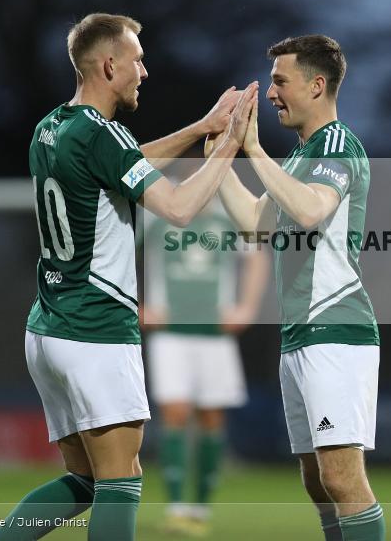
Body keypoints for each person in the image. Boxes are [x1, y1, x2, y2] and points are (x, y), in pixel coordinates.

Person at [0, 12, 257, 541]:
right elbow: (177, 207)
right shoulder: (104, 135)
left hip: (47, 329)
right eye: (137, 59)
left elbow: (118, 164)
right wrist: (227, 146)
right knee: (120, 482)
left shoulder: (52, 126)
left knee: (85, 481)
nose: (144, 71)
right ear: (109, 64)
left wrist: (202, 127)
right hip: (96, 330)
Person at [208, 35, 385, 541]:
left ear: (317, 84)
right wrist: (221, 159)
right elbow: (256, 224)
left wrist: (254, 149)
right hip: (301, 335)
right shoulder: (302, 156)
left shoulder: (335, 143)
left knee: (341, 477)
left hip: (336, 329)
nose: (270, 94)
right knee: (316, 480)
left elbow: (310, 210)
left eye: (280, 82)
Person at [141, 153, 270, 537]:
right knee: (176, 412)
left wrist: (246, 307)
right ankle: (179, 506)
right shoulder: (156, 215)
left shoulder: (226, 216)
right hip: (170, 331)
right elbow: (116, 248)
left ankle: (200, 507)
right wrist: (137, 302)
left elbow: (257, 256)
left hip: (214, 333)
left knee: (213, 417)